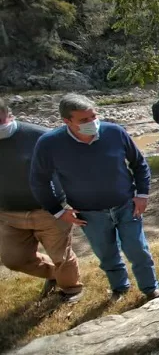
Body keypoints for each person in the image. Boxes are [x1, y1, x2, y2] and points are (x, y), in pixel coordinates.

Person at [30, 94, 159, 302]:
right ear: (67, 121)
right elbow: (39, 181)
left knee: (137, 248)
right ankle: (120, 288)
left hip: (126, 205)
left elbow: (139, 164)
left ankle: (150, 289)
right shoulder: (49, 144)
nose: (92, 123)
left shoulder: (115, 132)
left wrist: (142, 194)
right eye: (84, 120)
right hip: (89, 214)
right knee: (107, 254)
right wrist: (58, 210)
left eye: (94, 116)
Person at [0, 98, 83, 303]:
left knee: (61, 257)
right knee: (14, 259)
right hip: (8, 214)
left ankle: (72, 289)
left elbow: (71, 168)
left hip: (49, 211)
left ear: (8, 114)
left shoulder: (40, 136)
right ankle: (54, 274)